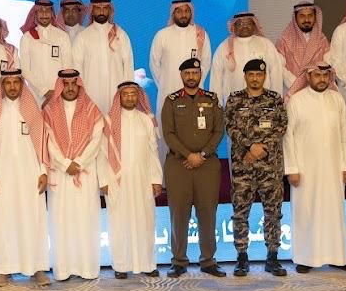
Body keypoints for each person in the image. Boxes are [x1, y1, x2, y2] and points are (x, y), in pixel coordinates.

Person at [283, 64, 346, 272]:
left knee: (334, 212)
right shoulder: (297, 101)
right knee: (306, 212)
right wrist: (292, 168)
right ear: (308, 77)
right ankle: (305, 259)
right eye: (317, 75)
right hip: (305, 171)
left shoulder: (337, 99)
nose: (322, 79)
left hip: (333, 168)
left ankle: (337, 257)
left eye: (325, 75)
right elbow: (288, 137)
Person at [0, 69, 51, 287]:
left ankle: (37, 268)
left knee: (34, 221)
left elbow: (41, 143)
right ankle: (4, 270)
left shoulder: (32, 110)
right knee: (4, 222)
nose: (12, 87)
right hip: (3, 177)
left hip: (31, 176)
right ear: (2, 86)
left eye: (16, 82)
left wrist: (43, 171)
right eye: (8, 83)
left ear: (22, 84)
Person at [160, 58, 224, 277]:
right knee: (179, 214)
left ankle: (208, 260)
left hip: (207, 166)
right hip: (179, 165)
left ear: (200, 74)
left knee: (208, 213)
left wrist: (202, 155)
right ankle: (179, 261)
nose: (191, 76)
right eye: (187, 73)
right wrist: (189, 155)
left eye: (194, 72)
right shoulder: (171, 101)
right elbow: (168, 133)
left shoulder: (212, 99)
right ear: (181, 75)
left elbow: (218, 131)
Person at [224, 59, 288, 277]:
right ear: (245, 76)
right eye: (251, 74)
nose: (254, 78)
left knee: (273, 213)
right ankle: (242, 258)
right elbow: (230, 126)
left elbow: (281, 126)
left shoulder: (275, 99)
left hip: (270, 168)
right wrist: (250, 146)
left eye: (259, 75)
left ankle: (272, 257)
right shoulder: (234, 99)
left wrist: (263, 148)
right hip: (243, 166)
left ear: (264, 76)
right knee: (240, 214)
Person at [43, 69, 106, 282]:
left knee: (86, 220)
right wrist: (64, 163)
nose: (70, 88)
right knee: (61, 222)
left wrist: (78, 162)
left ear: (79, 85)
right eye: (66, 84)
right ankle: (63, 269)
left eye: (73, 84)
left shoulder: (91, 109)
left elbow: (96, 140)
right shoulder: (49, 111)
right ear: (60, 86)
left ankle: (87, 268)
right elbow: (48, 141)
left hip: (84, 174)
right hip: (60, 175)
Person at [102, 81, 163, 279]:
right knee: (119, 223)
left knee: (145, 221)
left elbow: (153, 152)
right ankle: (121, 265)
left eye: (133, 94)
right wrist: (104, 180)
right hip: (117, 181)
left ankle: (148, 264)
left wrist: (156, 179)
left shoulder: (146, 120)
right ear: (119, 97)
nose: (129, 98)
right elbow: (102, 154)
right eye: (125, 94)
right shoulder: (109, 121)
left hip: (143, 180)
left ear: (138, 97)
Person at [73, 0, 135, 111]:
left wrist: (127, 91)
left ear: (109, 10)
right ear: (92, 11)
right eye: (98, 8)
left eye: (105, 8)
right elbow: (77, 68)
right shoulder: (82, 37)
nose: (101, 11)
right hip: (91, 94)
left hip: (116, 92)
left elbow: (128, 64)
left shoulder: (120, 34)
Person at [150, 0, 212, 107]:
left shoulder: (201, 35)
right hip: (168, 91)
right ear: (173, 13)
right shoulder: (162, 35)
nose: (183, 15)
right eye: (179, 11)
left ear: (191, 13)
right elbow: (154, 63)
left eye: (186, 11)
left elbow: (206, 62)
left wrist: (195, 81)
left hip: (194, 92)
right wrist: (165, 84)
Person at [210, 12, 285, 101]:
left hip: (263, 103)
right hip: (233, 104)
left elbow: (276, 73)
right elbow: (216, 78)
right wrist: (216, 104)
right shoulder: (224, 47)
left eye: (248, 23)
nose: (244, 26)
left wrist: (276, 100)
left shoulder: (266, 44)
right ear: (234, 26)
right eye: (240, 24)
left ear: (254, 25)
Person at [19, 0, 73, 101]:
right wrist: (44, 91)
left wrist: (57, 90)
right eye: (41, 11)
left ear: (52, 13)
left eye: (47, 11)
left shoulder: (62, 36)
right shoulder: (27, 37)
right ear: (35, 14)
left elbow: (68, 66)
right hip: (35, 93)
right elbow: (25, 69)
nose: (44, 14)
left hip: (59, 93)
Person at [275, 2, 329, 93]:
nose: (306, 19)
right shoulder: (284, 40)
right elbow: (279, 66)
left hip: (316, 89)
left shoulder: (322, 40)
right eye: (302, 16)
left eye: (310, 16)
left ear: (315, 17)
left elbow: (327, 64)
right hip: (291, 89)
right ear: (295, 18)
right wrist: (296, 84)